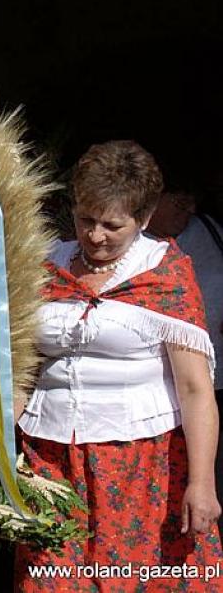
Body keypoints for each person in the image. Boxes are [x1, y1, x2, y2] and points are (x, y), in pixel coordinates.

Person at [15, 140, 223, 591]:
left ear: (144, 219)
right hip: (49, 457)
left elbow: (194, 389)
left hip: (139, 464)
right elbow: (22, 368)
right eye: (85, 220)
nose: (95, 235)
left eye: (112, 225)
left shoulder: (165, 273)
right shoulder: (44, 263)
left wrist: (202, 483)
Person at [148, 181, 223, 536]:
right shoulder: (125, 252)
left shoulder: (210, 232)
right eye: (179, 199)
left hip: (209, 386)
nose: (188, 209)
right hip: (154, 407)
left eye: (193, 200)